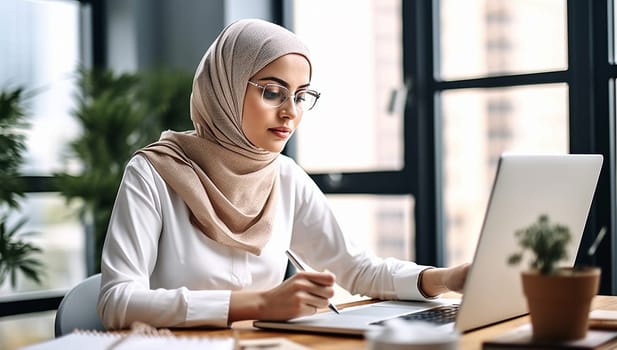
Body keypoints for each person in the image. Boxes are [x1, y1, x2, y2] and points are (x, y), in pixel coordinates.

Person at [96, 18, 469, 330]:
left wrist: (444, 279)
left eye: (301, 95)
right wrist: (259, 303)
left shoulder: (283, 176)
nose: (291, 112)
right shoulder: (153, 172)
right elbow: (117, 302)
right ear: (225, 88)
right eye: (273, 92)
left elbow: (356, 268)